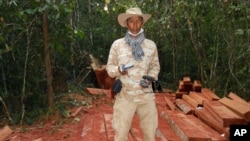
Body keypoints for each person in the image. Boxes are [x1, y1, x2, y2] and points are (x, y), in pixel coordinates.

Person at [106, 7, 160, 141]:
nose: (135, 25)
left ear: (142, 23)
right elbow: (110, 69)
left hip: (146, 96)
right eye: (131, 21)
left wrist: (150, 79)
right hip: (125, 96)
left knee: (150, 133)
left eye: (138, 21)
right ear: (126, 23)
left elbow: (155, 67)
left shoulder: (151, 45)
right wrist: (119, 70)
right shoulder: (117, 45)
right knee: (121, 134)